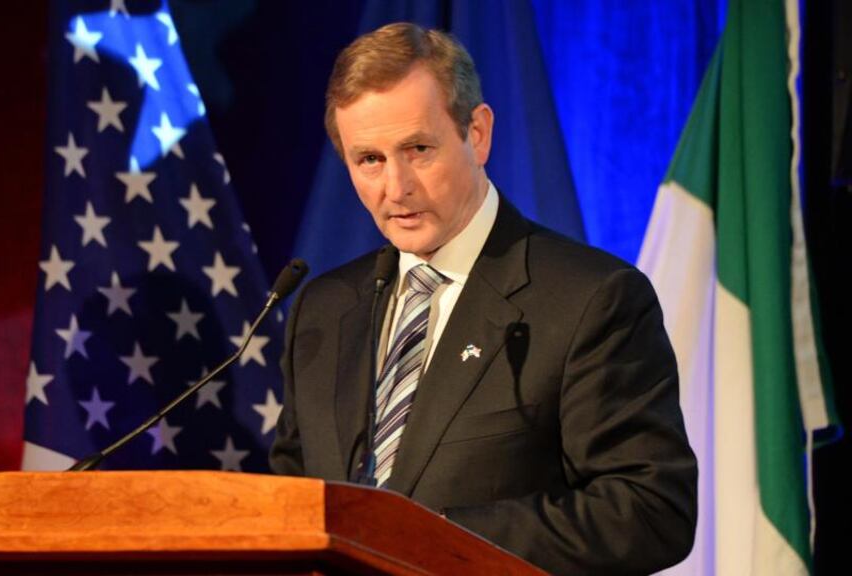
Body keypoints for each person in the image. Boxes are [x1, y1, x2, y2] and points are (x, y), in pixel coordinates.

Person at [270, 22, 697, 575]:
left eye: (418, 149)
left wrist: (434, 537)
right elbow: (293, 500)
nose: (395, 188)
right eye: (369, 160)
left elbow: (650, 509)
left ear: (477, 133)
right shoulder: (323, 309)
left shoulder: (590, 299)